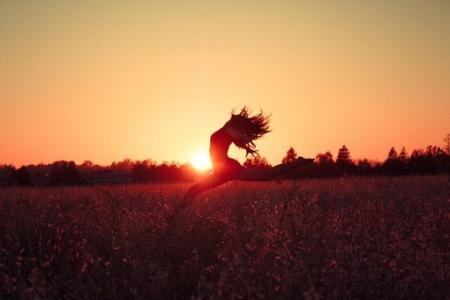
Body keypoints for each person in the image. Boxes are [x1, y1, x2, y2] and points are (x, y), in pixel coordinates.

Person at [183, 107, 314, 203]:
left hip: (226, 169)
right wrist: (244, 141)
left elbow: (238, 137)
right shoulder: (225, 131)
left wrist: (245, 139)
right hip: (222, 170)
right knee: (267, 175)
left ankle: (298, 162)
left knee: (193, 190)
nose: (231, 119)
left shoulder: (229, 131)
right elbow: (238, 138)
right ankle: (298, 162)